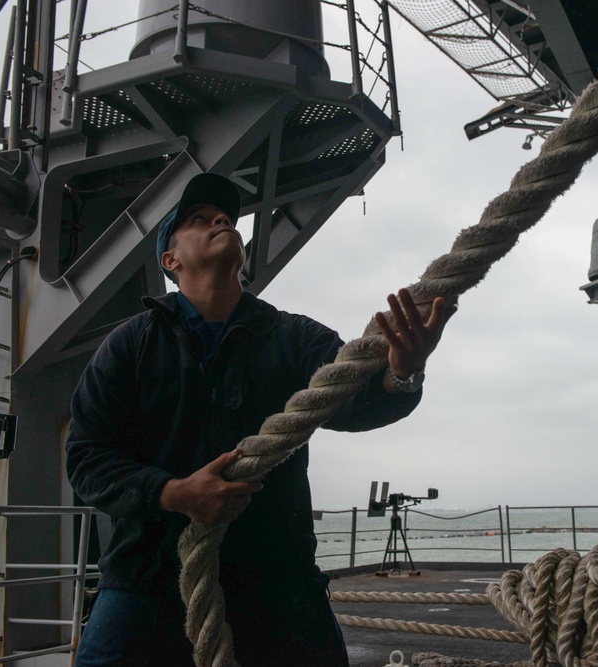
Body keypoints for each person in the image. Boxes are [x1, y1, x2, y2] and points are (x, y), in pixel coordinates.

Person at [66, 172, 455, 667]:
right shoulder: (130, 345)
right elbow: (87, 459)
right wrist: (173, 493)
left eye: (226, 217)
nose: (221, 220)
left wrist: (402, 372)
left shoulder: (294, 337)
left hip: (278, 578)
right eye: (199, 219)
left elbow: (356, 401)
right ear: (170, 260)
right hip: (147, 578)